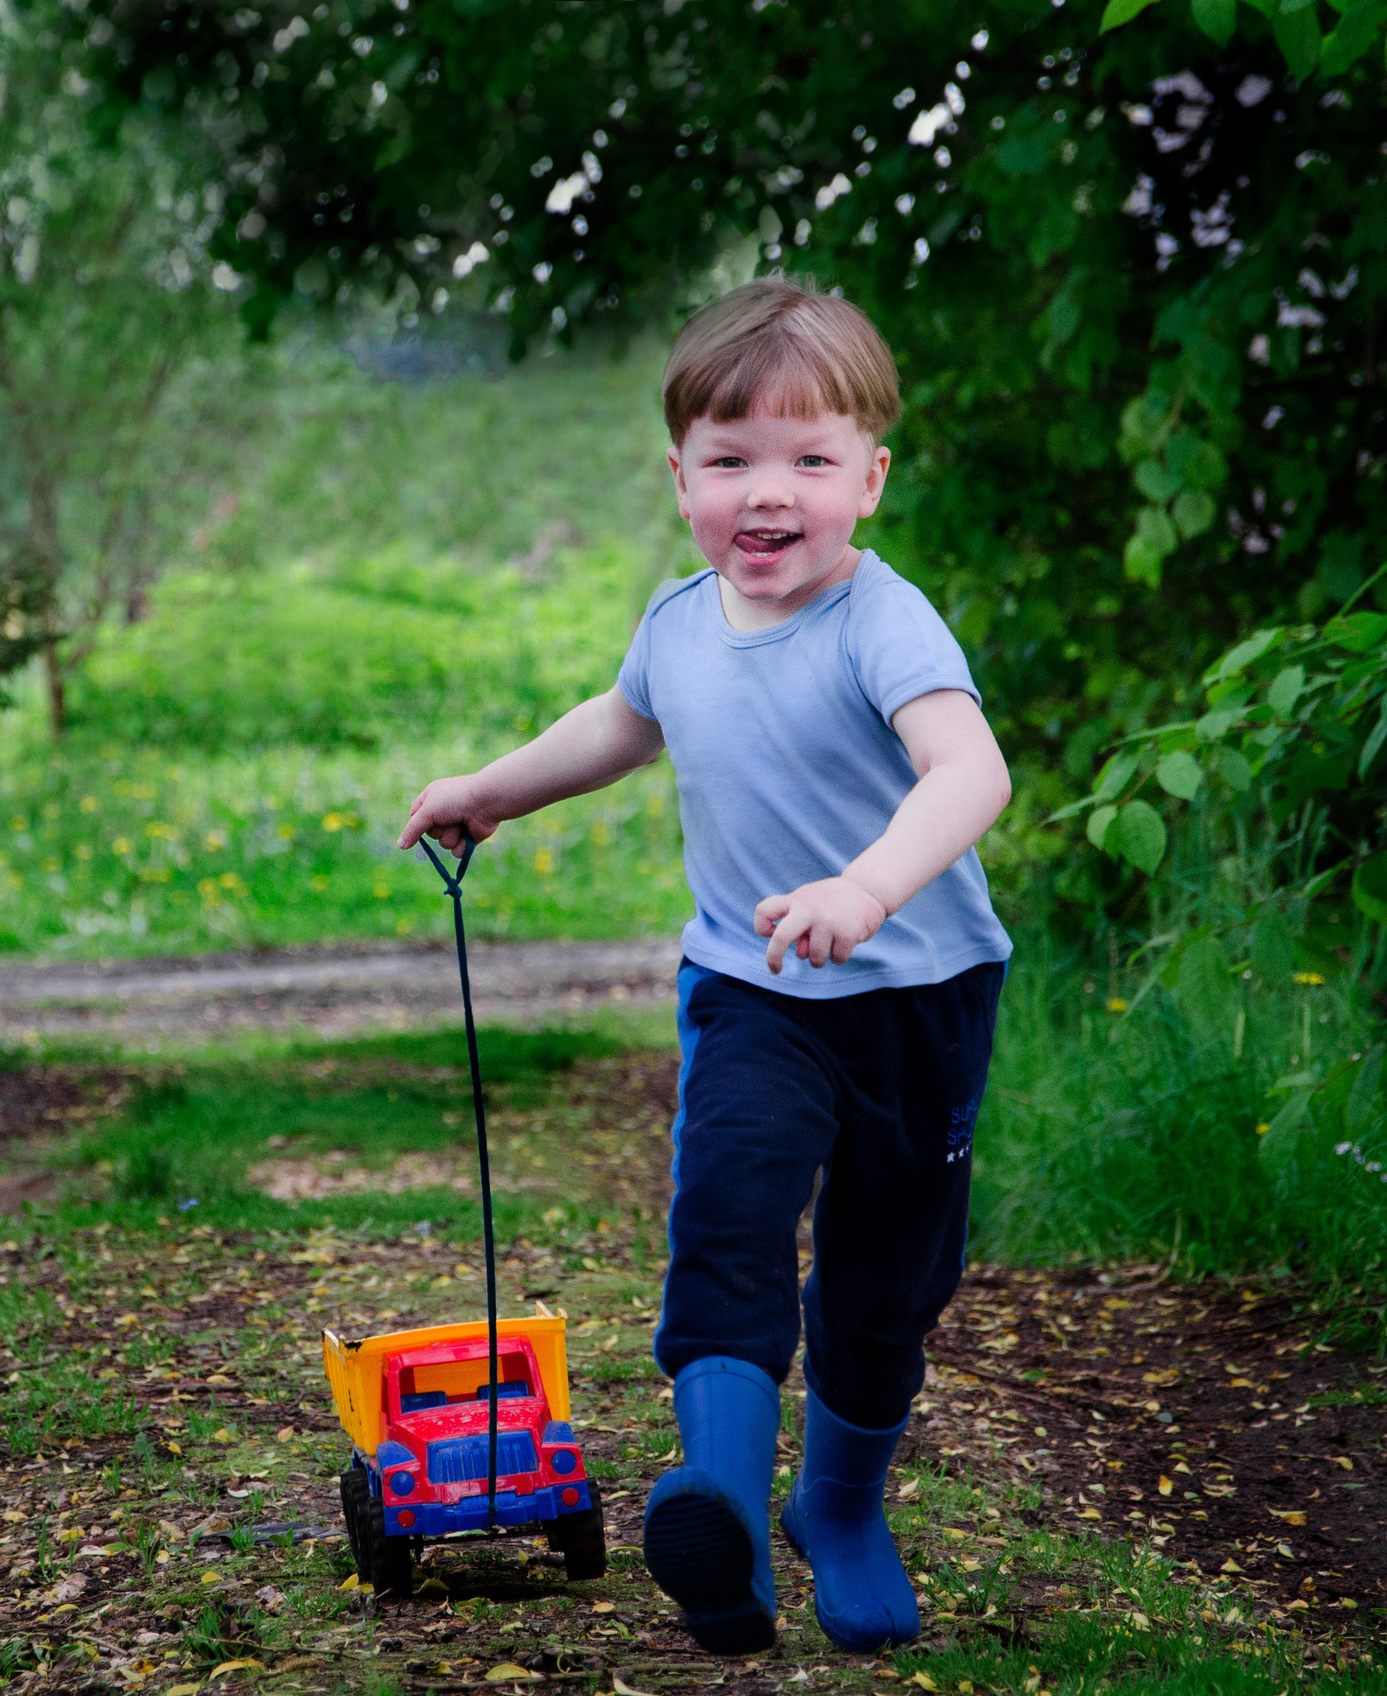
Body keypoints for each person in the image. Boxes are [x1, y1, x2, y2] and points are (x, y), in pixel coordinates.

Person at [396, 276, 1012, 1655]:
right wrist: (491, 787)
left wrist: (868, 886)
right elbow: (619, 725)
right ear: (680, 478)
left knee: (884, 1282)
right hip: (754, 991)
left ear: (871, 480)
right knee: (728, 1216)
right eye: (731, 461)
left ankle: (836, 1509)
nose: (767, 493)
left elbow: (972, 771)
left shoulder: (882, 623)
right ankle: (719, 1506)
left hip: (921, 999)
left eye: (808, 459)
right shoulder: (679, 623)